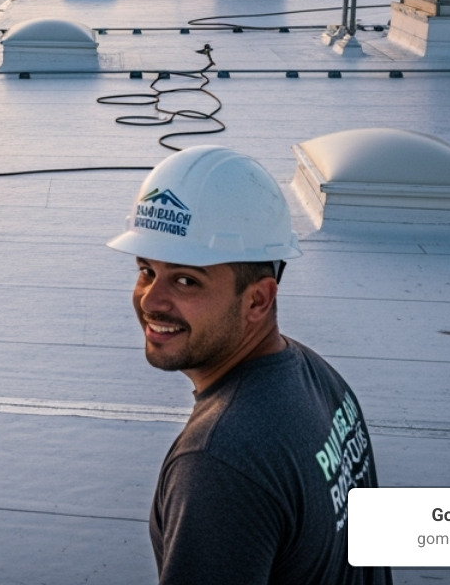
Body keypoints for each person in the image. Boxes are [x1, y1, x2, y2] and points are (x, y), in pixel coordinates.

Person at [106, 145, 391, 585]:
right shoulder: (315, 376)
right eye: (146, 270)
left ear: (258, 298)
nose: (151, 300)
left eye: (185, 280)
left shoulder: (217, 465)